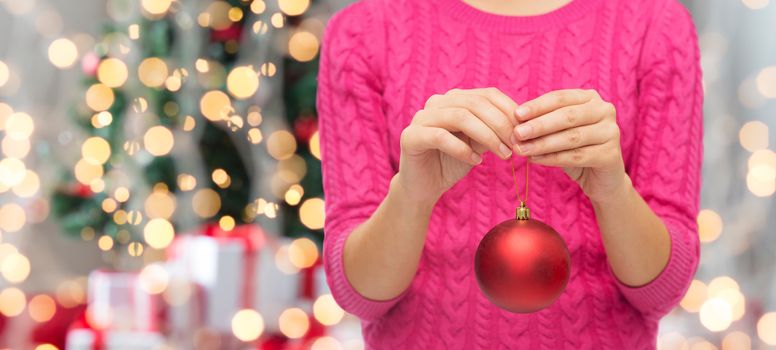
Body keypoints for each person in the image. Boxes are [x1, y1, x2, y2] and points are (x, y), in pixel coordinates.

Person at [316, 0, 702, 348]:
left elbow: (662, 291)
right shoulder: (362, 32)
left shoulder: (656, 25)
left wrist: (614, 192)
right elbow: (359, 295)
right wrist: (412, 196)